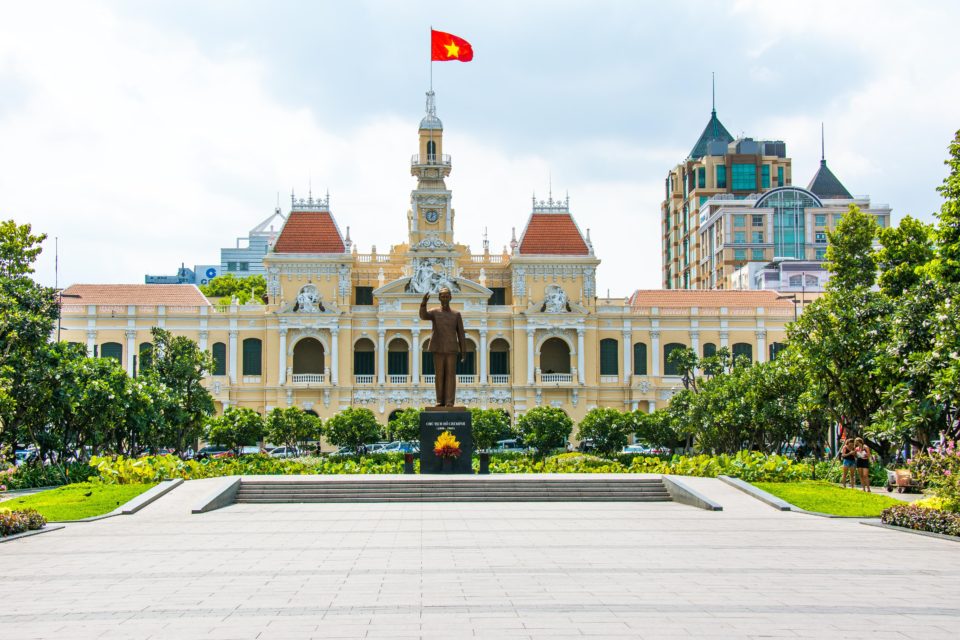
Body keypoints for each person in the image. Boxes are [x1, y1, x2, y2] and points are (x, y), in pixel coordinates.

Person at [420, 288, 466, 407]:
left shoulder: (456, 314)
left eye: (447, 296)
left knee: (451, 375)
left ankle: (450, 401)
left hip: (451, 348)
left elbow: (461, 334)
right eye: (442, 296)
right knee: (439, 375)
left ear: (450, 297)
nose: (445, 298)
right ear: (439, 298)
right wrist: (423, 303)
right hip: (438, 347)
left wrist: (463, 351)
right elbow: (423, 316)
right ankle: (440, 401)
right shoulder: (434, 312)